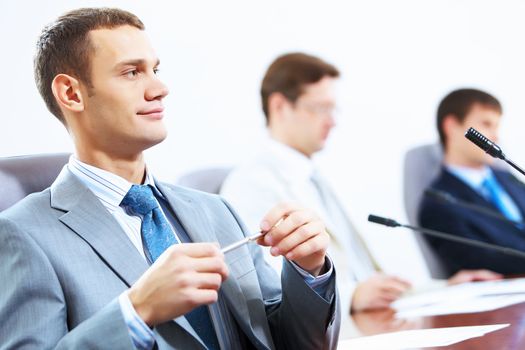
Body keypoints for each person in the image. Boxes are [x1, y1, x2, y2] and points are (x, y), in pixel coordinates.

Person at [0, 9, 339, 349]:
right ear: (71, 94)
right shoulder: (24, 235)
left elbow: (290, 342)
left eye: (155, 70)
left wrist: (310, 272)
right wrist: (136, 311)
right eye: (132, 72)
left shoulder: (218, 211)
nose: (160, 89)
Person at [220, 53, 501, 323]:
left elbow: (367, 275)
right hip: (332, 329)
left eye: (333, 109)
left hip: (372, 319)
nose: (333, 120)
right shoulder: (251, 185)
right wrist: (352, 295)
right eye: (320, 108)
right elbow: (261, 291)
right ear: (280, 106)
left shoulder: (320, 178)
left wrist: (443, 288)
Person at [418, 88, 525, 276]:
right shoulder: (438, 204)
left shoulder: (508, 178)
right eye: (486, 124)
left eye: (497, 127)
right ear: (451, 126)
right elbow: (482, 260)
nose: (495, 136)